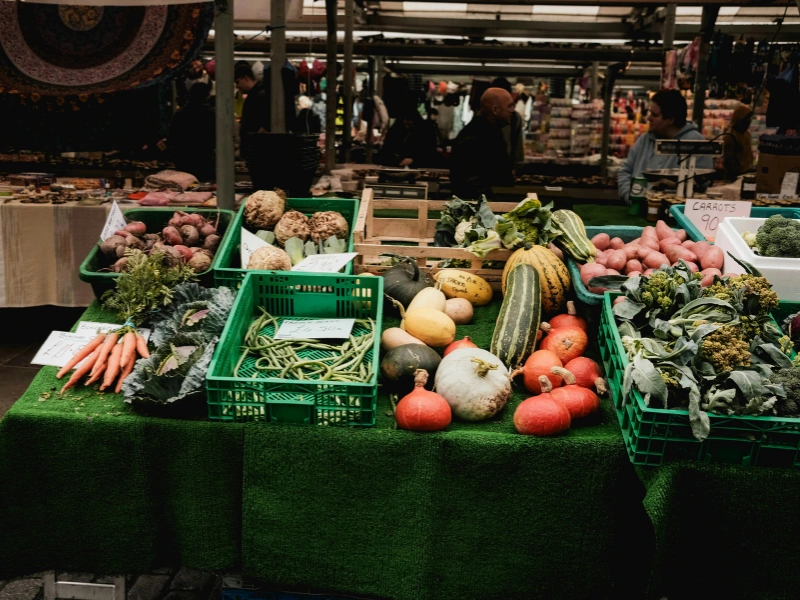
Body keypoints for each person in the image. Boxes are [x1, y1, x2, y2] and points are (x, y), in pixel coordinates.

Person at [618, 89, 713, 203]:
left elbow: (702, 182)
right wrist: (630, 197)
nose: (648, 118)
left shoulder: (695, 142)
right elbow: (625, 171)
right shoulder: (645, 139)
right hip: (637, 209)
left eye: (655, 115)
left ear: (671, 119)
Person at [449, 87, 516, 199]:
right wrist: (494, 202)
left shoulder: (490, 132)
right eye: (510, 106)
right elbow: (471, 183)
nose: (513, 110)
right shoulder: (474, 137)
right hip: (480, 209)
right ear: (495, 110)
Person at [167, 83, 215, 181]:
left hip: (184, 160)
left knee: (186, 188)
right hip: (206, 160)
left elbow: (172, 138)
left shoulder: (180, 114)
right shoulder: (212, 114)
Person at [379, 103, 438, 168]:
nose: (407, 123)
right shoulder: (395, 130)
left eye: (410, 120)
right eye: (404, 120)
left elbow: (430, 153)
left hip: (419, 167)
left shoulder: (426, 131)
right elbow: (386, 151)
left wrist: (414, 160)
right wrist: (397, 159)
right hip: (396, 167)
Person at [491, 77, 525, 172]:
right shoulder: (514, 117)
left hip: (488, 172)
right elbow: (517, 148)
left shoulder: (514, 117)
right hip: (502, 171)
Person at [722, 103, 754, 181]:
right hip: (735, 177)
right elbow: (728, 161)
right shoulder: (730, 136)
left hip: (746, 173)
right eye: (746, 119)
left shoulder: (746, 134)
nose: (748, 122)